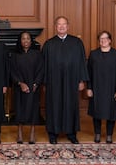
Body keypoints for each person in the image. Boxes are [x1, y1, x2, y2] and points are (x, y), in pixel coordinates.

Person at [42, 16, 89, 144]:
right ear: (55, 27)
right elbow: (44, 65)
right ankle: (53, 133)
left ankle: (71, 133)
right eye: (59, 24)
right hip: (54, 82)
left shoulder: (77, 42)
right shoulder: (49, 44)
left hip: (71, 81)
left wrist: (81, 80)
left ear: (68, 26)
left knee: (71, 105)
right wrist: (45, 82)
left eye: (64, 24)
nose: (61, 27)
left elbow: (82, 62)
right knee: (54, 106)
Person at [86, 31, 116, 144]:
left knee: (111, 113)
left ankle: (109, 134)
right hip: (96, 88)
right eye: (101, 39)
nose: (103, 41)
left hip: (112, 88)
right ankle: (97, 133)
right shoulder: (93, 54)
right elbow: (89, 73)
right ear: (99, 41)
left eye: (106, 38)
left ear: (110, 40)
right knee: (96, 112)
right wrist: (89, 88)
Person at [10, 31, 44, 144]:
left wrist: (36, 84)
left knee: (33, 110)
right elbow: (12, 71)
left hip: (34, 87)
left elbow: (41, 70)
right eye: (23, 38)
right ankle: (19, 133)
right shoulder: (15, 55)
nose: (25, 41)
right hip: (19, 87)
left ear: (31, 40)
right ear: (20, 41)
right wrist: (20, 83)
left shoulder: (37, 54)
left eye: (28, 38)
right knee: (19, 110)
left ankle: (32, 133)